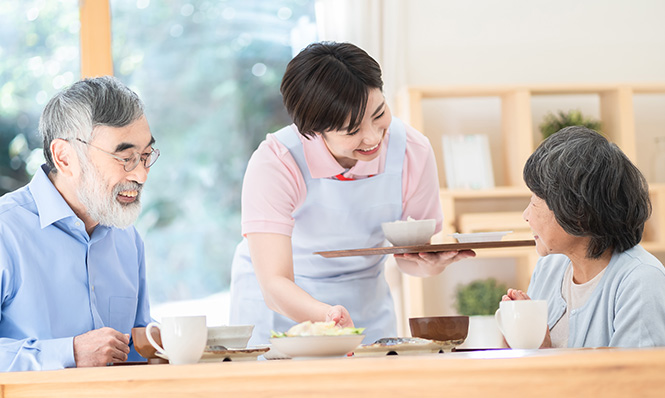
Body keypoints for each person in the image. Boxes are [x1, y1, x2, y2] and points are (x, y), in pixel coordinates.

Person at [229, 41, 475, 345]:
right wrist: (326, 316)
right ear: (313, 130)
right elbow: (274, 282)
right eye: (351, 129)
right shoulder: (276, 163)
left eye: (379, 113)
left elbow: (408, 258)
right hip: (281, 305)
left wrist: (430, 263)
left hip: (364, 301)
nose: (373, 137)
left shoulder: (413, 150)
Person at [0, 76, 159, 371]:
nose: (141, 175)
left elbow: (135, 352)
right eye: (125, 157)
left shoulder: (127, 238)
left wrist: (171, 344)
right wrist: (68, 353)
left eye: (146, 156)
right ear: (65, 158)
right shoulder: (5, 230)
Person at [502, 126, 665, 348]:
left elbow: (632, 380)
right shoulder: (550, 266)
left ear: (578, 211)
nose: (526, 215)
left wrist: (543, 354)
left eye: (535, 201)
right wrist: (516, 336)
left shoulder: (641, 281)